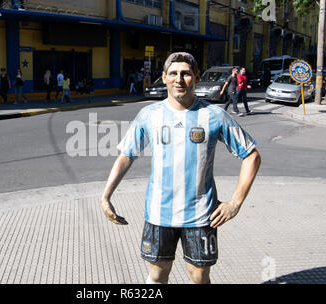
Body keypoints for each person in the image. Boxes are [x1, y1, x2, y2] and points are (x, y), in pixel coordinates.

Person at [100, 52, 261, 284]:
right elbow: (126, 156)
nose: (179, 79)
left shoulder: (215, 115)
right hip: (158, 214)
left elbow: (251, 156)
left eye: (185, 73)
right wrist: (106, 195)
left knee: (199, 278)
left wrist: (235, 202)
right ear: (164, 77)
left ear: (196, 77)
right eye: (173, 73)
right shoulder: (148, 115)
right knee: (156, 275)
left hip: (201, 217)